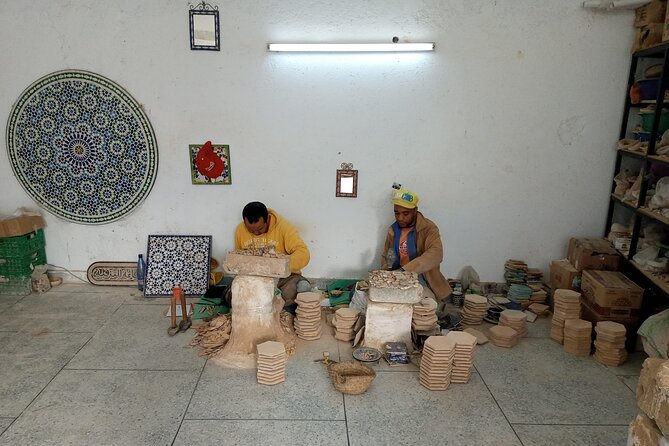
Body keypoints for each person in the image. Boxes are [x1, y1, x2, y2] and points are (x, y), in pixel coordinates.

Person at [231, 201, 310, 306]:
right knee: (233, 294)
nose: (256, 233)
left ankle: (263, 301)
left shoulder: (284, 228)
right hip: (253, 279)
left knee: (291, 291)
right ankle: (264, 301)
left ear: (267, 219)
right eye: (250, 230)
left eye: (260, 229)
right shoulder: (240, 229)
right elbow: (239, 257)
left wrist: (279, 265)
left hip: (281, 279)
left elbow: (303, 253)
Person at [380, 189, 452, 301]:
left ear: (415, 210)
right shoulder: (393, 230)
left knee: (420, 305)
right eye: (396, 213)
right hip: (397, 277)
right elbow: (388, 256)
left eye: (405, 213)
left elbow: (436, 254)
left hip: (421, 278)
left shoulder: (428, 228)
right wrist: (386, 275)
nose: (400, 218)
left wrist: (405, 271)